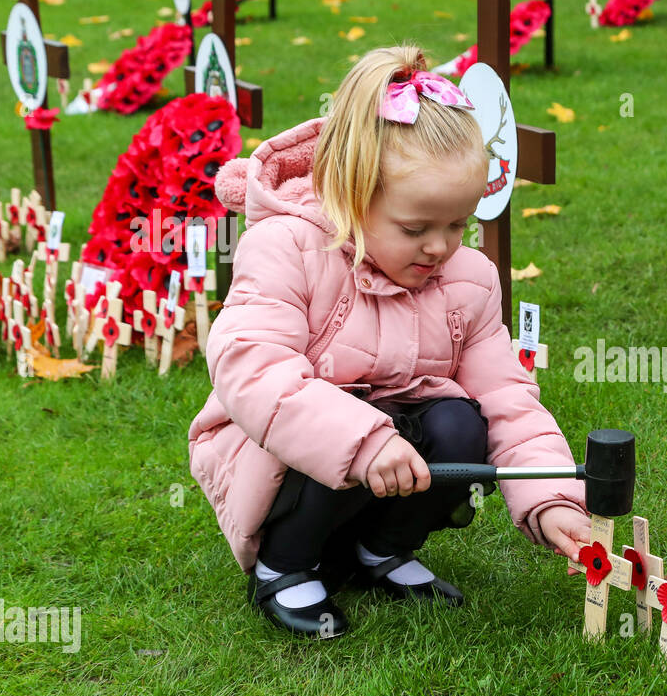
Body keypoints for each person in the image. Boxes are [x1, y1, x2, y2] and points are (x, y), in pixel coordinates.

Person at [187, 44, 591, 639]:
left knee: (461, 424)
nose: (440, 247)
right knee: (333, 426)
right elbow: (254, 369)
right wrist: (364, 439)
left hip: (389, 452)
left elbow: (508, 397)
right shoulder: (288, 249)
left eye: (458, 224)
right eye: (415, 228)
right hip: (275, 451)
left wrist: (550, 497)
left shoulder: (467, 280)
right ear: (353, 194)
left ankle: (382, 549)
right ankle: (285, 563)